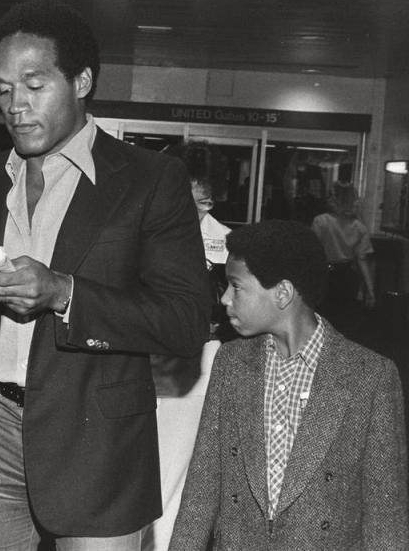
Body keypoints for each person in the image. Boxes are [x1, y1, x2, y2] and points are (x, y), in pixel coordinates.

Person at [0, 0, 211, 550]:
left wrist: (64, 293)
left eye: (34, 85)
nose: (16, 105)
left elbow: (185, 321)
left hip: (98, 444)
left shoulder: (148, 180)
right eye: (3, 89)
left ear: (82, 81)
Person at [169, 220, 408, 550]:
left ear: (282, 293)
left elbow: (387, 514)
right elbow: (203, 485)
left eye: (236, 287)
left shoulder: (370, 377)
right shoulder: (231, 363)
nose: (224, 299)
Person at [144, 140, 231, 551]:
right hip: (146, 367)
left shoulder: (227, 243)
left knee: (177, 482)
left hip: (198, 371)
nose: (201, 200)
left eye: (207, 193)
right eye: (192, 188)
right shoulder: (141, 235)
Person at [312, 181, 375, 334]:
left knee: (322, 321)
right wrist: (370, 291)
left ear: (336, 200)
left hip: (324, 277)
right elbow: (362, 260)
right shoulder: (360, 228)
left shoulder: (321, 222)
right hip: (348, 279)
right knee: (344, 323)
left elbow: (312, 253)